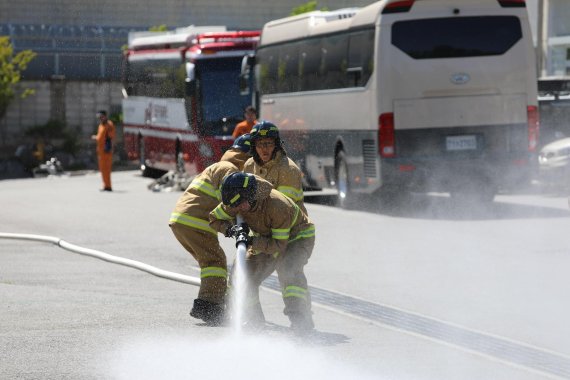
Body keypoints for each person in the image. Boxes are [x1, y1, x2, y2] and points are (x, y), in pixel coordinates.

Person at [210, 172, 316, 334]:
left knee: (289, 271)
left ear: (251, 196)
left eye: (239, 205)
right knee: (244, 275)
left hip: (297, 238)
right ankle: (255, 324)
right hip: (266, 237)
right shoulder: (235, 200)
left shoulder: (277, 206)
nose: (236, 209)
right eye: (233, 206)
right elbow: (214, 219)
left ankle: (301, 323)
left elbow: (278, 246)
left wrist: (250, 241)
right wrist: (231, 229)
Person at [169, 134, 252, 325]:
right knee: (215, 261)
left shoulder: (220, 166)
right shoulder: (229, 170)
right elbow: (231, 199)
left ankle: (211, 304)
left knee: (210, 260)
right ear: (247, 156)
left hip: (184, 220)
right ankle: (208, 308)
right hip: (196, 221)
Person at [243, 120, 307, 214]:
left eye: (268, 143)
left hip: (290, 224)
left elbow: (284, 208)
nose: (264, 148)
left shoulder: (289, 169)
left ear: (276, 145)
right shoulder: (249, 165)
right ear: (253, 146)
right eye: (260, 143)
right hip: (262, 223)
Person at [91, 110, 115, 191]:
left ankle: (108, 186)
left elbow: (110, 137)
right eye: (99, 117)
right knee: (102, 169)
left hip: (107, 150)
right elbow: (100, 136)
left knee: (107, 169)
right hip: (101, 151)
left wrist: (96, 138)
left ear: (105, 116)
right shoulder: (101, 125)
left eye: (102, 117)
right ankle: (105, 185)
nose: (100, 118)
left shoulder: (109, 125)